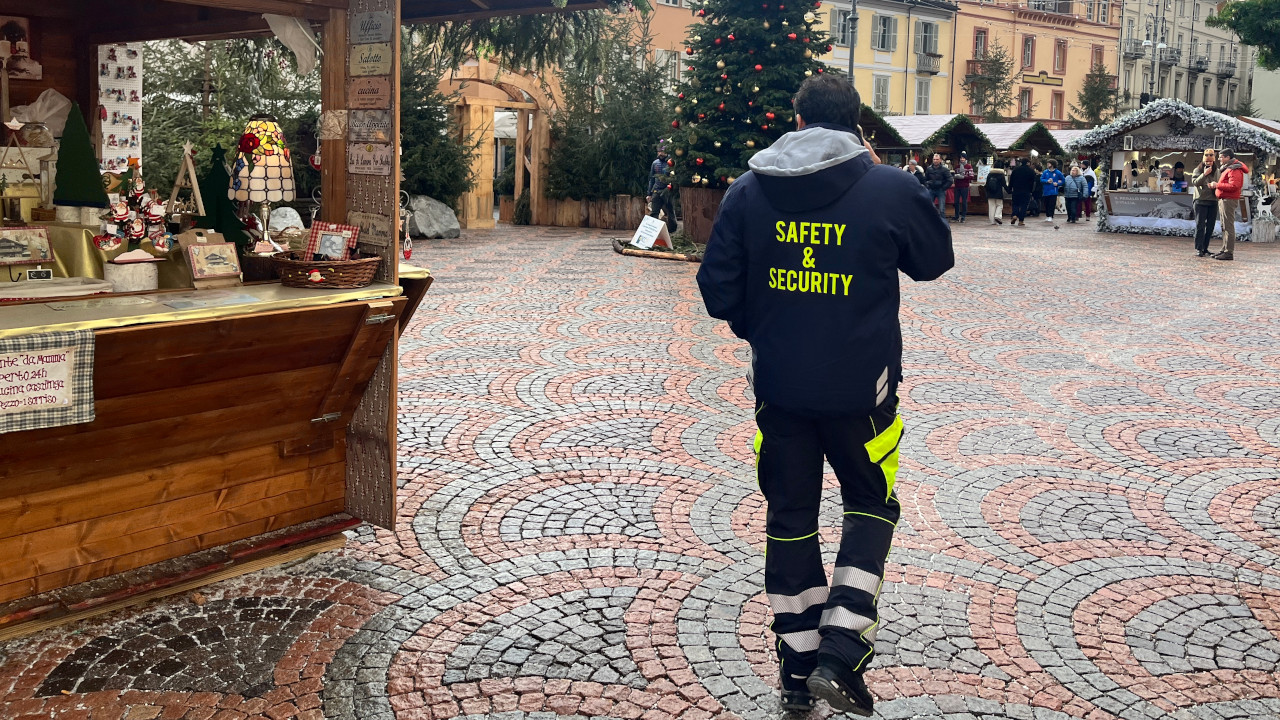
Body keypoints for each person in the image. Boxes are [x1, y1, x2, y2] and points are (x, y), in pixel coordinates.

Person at [695, 74, 954, 718]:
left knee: (790, 517)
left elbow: (718, 293)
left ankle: (795, 670)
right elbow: (934, 260)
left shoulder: (749, 191)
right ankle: (840, 653)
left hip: (779, 390)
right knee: (870, 505)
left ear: (798, 117)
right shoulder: (889, 186)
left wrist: (772, 327)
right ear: (859, 123)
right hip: (864, 392)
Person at [1209, 148, 1247, 261]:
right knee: (1224, 226)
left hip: (1229, 200)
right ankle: (1224, 249)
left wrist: (1217, 185)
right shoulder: (1228, 168)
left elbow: (1234, 186)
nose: (1219, 159)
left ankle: (1229, 252)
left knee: (1228, 226)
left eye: (1221, 157)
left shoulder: (1234, 169)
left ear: (1228, 157)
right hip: (1224, 199)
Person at [1191, 148, 1219, 257]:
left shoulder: (1217, 171)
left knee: (1210, 226)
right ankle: (1199, 248)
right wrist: (1204, 174)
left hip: (1213, 200)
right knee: (1200, 225)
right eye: (1207, 161)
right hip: (1200, 200)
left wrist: (1216, 185)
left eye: (1211, 161)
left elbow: (1220, 182)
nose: (1209, 163)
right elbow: (1195, 182)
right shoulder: (1197, 170)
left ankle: (1205, 248)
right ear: (1203, 160)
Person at [647, 144, 678, 232]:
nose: (660, 153)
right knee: (654, 212)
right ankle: (653, 232)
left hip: (668, 190)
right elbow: (651, 179)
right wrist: (649, 193)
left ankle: (672, 231)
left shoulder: (671, 163)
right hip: (657, 190)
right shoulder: (655, 163)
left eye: (662, 151)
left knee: (670, 211)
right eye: (659, 151)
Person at [1009, 157, 1036, 227]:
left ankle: (1014, 215)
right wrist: (1031, 191)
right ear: (1028, 163)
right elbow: (1033, 182)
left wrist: (1010, 188)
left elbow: (1011, 180)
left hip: (1016, 190)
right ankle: (1021, 220)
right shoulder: (1031, 171)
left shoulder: (1015, 170)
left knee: (1015, 204)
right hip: (1026, 191)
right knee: (1024, 205)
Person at [924, 153, 953, 218]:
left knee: (942, 208)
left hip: (941, 190)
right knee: (929, 207)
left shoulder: (945, 169)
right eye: (934, 159)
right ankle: (929, 221)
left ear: (940, 160)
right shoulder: (929, 169)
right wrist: (928, 186)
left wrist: (944, 188)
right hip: (931, 189)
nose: (935, 161)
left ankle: (943, 223)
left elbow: (950, 180)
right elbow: (925, 179)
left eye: (937, 159)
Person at [952, 151, 975, 223]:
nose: (962, 159)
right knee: (956, 201)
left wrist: (963, 177)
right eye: (961, 158)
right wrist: (955, 176)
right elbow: (954, 174)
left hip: (965, 186)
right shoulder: (957, 166)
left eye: (963, 158)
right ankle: (956, 216)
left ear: (965, 159)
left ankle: (963, 216)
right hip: (957, 186)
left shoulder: (968, 166)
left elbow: (971, 176)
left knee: (964, 202)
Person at [985, 160, 1007, 225]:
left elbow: (986, 184)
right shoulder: (1001, 175)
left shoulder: (989, 174)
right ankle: (997, 216)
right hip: (998, 193)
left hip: (990, 193)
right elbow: (1004, 185)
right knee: (999, 205)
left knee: (991, 206)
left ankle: (992, 221)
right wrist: (1009, 191)